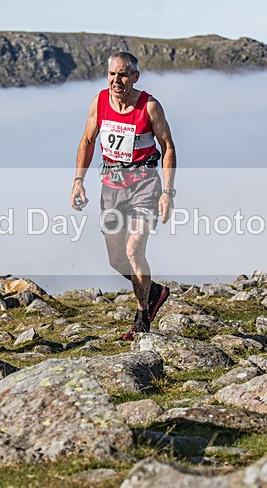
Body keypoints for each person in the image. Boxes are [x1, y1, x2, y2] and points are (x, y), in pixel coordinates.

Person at [71, 52, 176, 341]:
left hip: (144, 186)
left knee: (133, 251)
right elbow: (88, 140)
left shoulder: (150, 106)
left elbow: (167, 146)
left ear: (135, 77)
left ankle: (142, 319)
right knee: (117, 260)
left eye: (124, 74)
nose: (117, 80)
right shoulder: (100, 101)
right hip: (112, 187)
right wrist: (78, 181)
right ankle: (153, 291)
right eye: (112, 74)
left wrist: (167, 192)